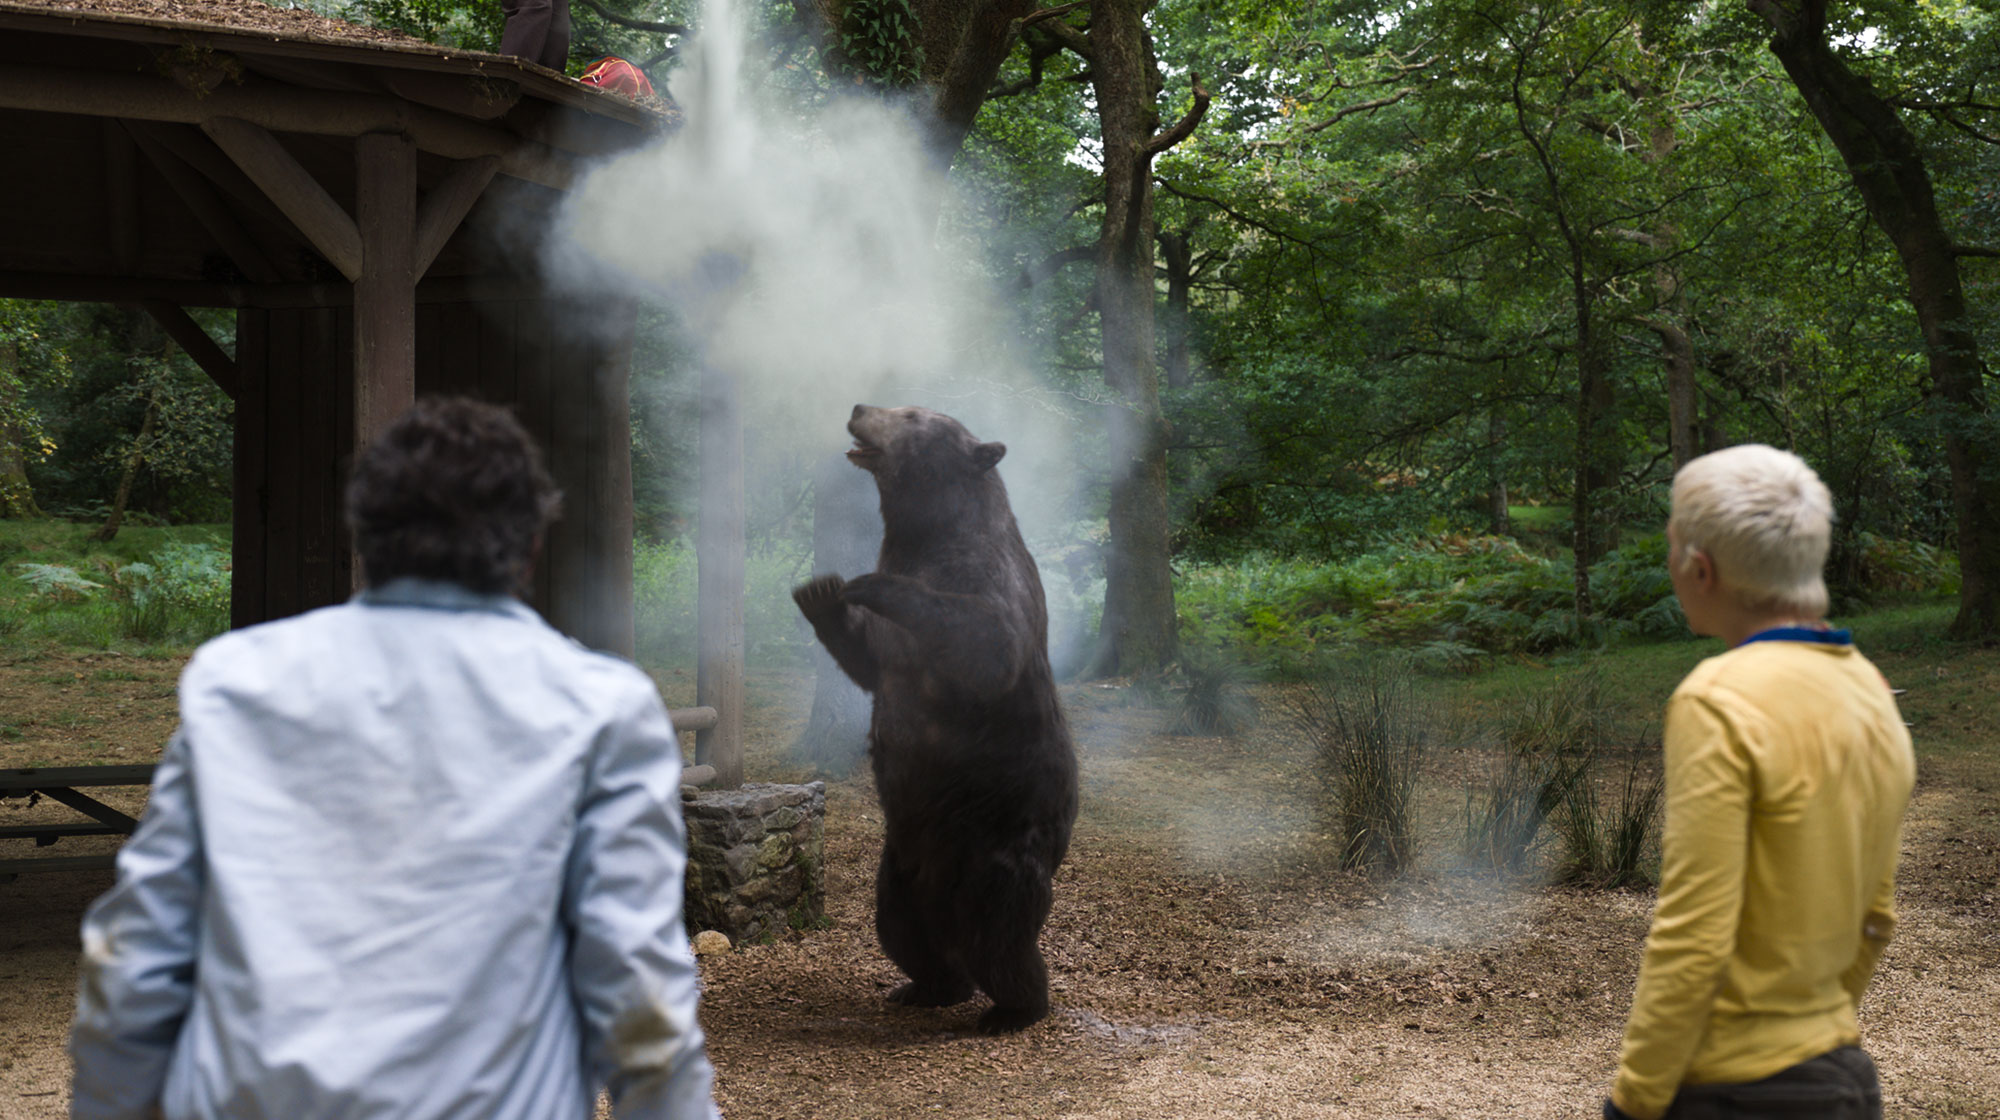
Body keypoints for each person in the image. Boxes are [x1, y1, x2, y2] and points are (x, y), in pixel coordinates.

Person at [69, 397, 720, 1120]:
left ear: (364, 534)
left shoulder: (237, 684)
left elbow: (135, 957)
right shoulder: (602, 709)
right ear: (533, 543)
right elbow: (636, 984)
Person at [1605, 444, 1915, 1120]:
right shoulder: (1869, 690)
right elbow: (1877, 917)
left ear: (1700, 568)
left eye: (1671, 551)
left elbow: (1695, 930)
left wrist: (1634, 1098)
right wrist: (1815, 1038)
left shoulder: (1716, 700)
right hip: (1842, 1080)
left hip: (1734, 1093)